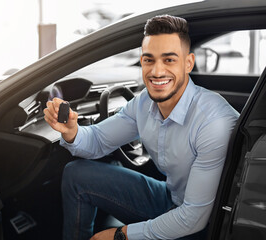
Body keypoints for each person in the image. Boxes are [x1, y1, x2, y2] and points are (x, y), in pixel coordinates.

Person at [44, 14, 239, 240]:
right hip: (171, 198)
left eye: (169, 60)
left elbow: (193, 218)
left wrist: (120, 235)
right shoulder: (144, 102)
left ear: (188, 63)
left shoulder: (213, 121)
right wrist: (72, 132)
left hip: (207, 225)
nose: (156, 72)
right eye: (149, 60)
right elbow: (97, 140)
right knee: (77, 175)